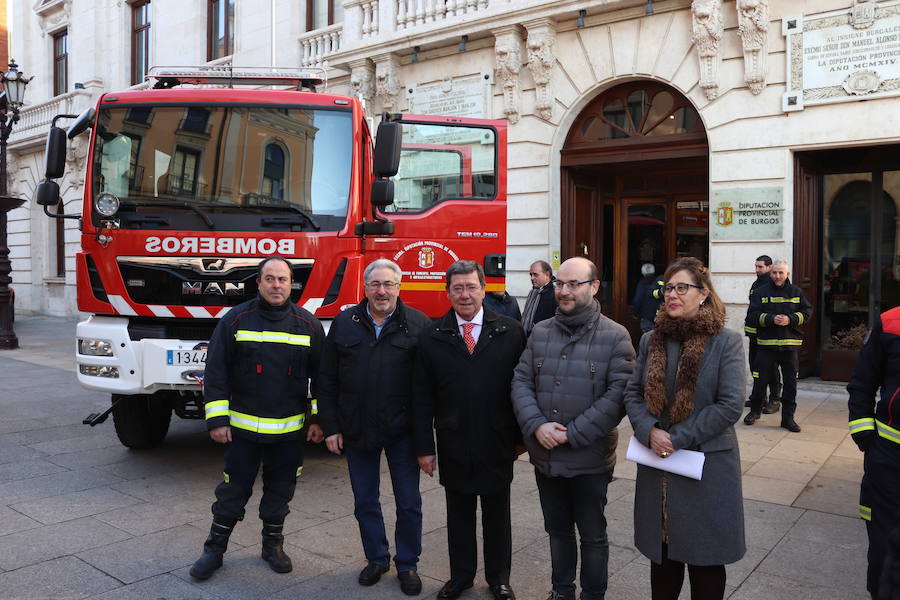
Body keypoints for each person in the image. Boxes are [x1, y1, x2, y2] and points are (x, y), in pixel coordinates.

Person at [190, 256, 325, 580]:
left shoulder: (308, 324)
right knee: (231, 494)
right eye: (270, 279)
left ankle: (272, 546)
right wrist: (217, 421)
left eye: (282, 279)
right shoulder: (236, 320)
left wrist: (320, 420)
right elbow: (216, 372)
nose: (276, 285)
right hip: (242, 433)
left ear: (290, 283)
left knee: (280, 493)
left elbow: (323, 379)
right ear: (258, 283)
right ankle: (214, 550)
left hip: (289, 433)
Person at [512, 257, 635, 600]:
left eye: (573, 284)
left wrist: (572, 433)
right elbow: (521, 382)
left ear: (594, 287)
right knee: (557, 531)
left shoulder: (616, 336)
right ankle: (561, 590)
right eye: (559, 284)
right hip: (546, 456)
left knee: (593, 535)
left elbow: (618, 397)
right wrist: (536, 426)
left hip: (589, 459)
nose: (563, 292)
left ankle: (593, 594)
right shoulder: (541, 330)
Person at [624, 257, 746, 600]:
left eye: (682, 288)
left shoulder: (726, 342)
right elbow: (633, 393)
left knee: (705, 558)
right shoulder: (651, 339)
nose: (672, 295)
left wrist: (676, 438)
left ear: (703, 294)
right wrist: (649, 430)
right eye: (668, 289)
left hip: (706, 467)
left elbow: (730, 404)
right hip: (658, 466)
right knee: (663, 558)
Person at [413, 260, 526, 600]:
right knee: (459, 515)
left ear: (483, 289)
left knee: (497, 516)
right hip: (454, 441)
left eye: (471, 287)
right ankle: (460, 576)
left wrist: (521, 439)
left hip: (497, 440)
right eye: (458, 288)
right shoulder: (432, 337)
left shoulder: (510, 331)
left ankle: (498, 579)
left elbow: (523, 389)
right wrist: (424, 447)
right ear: (447, 293)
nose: (465, 295)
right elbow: (421, 397)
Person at [318, 258, 432, 595]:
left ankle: (408, 564)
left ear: (399, 287)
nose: (382, 291)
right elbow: (326, 380)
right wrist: (331, 426)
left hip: (403, 431)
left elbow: (428, 388)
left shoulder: (419, 324)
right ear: (365, 287)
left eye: (389, 284)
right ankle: (377, 558)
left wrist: (426, 441)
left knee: (409, 501)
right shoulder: (344, 323)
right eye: (375, 285)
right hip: (357, 428)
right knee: (365, 500)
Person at [847, 305, 900, 600]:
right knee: (883, 547)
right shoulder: (891, 321)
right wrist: (864, 433)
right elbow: (863, 382)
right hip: (889, 460)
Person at [743, 259, 812, 432]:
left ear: (787, 274)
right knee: (760, 382)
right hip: (766, 346)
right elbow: (752, 315)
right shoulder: (761, 291)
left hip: (789, 348)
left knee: (790, 385)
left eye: (781, 272)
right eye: (774, 272)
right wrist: (770, 319)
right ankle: (755, 411)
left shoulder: (796, 291)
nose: (777, 276)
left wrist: (791, 319)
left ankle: (788, 419)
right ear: (770, 273)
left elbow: (807, 312)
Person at [743, 255, 782, 412]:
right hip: (754, 334)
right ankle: (759, 398)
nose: (757, 270)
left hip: (767, 335)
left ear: (769, 267)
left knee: (771, 368)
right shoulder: (756, 283)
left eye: (760, 267)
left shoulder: (773, 283)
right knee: (756, 367)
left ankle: (775, 399)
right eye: (756, 266)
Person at [522, 260, 558, 334]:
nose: (532, 278)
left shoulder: (555, 294)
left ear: (547, 275)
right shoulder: (533, 292)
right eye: (531, 275)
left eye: (535, 275)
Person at [633, 263, 663, 333]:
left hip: (647, 317)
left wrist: (636, 313)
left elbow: (638, 299)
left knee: (647, 339)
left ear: (642, 272)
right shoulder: (658, 282)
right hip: (659, 316)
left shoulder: (642, 283)